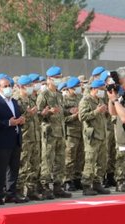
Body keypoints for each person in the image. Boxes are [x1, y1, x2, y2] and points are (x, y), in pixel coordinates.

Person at [0, 77, 27, 205]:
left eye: (9, 85)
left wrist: (20, 121)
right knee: (1, 168)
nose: (8, 88)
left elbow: (17, 117)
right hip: (2, 140)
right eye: (5, 86)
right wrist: (8, 123)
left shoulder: (14, 101)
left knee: (14, 168)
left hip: (15, 138)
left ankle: (11, 193)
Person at [37, 66, 72, 199]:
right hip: (49, 133)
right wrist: (46, 113)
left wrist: (69, 111)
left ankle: (58, 186)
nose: (58, 80)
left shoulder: (58, 94)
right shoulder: (43, 95)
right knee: (47, 160)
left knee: (60, 160)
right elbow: (38, 115)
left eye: (59, 77)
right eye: (56, 78)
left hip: (60, 132)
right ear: (49, 79)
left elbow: (61, 111)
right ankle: (45, 187)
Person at [78, 79, 111, 196]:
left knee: (101, 161)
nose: (102, 92)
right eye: (101, 90)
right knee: (90, 161)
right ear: (94, 89)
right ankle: (86, 185)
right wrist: (96, 111)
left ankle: (97, 183)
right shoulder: (86, 100)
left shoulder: (100, 100)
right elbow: (82, 117)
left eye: (103, 90)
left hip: (101, 134)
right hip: (92, 136)